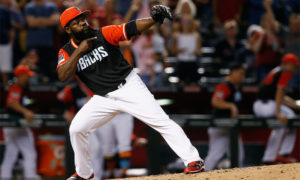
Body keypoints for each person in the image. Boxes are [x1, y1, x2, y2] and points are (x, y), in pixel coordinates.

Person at [57, 6, 204, 180]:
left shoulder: (103, 34)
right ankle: (84, 173)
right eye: (77, 22)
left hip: (129, 87)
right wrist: (79, 51)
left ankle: (193, 160)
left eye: (83, 19)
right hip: (103, 98)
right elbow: (63, 76)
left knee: (161, 122)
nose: (83, 23)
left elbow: (131, 28)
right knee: (76, 129)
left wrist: (153, 19)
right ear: (68, 29)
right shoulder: (66, 51)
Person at [253, 53, 300, 164]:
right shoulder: (285, 72)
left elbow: (280, 96)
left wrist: (295, 104)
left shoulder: (277, 71)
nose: (294, 68)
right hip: (266, 105)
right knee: (285, 119)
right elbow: (279, 94)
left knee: (290, 118)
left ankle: (281, 154)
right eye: (293, 65)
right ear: (286, 64)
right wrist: (278, 112)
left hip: (263, 105)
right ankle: (274, 156)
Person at [205, 63, 245, 170]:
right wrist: (231, 106)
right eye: (240, 74)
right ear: (233, 72)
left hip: (231, 128)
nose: (242, 77)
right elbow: (215, 101)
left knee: (239, 157)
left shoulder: (237, 88)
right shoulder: (224, 85)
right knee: (214, 157)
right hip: (219, 126)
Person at [1, 65, 37, 180]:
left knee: (10, 156)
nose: (28, 78)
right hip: (15, 125)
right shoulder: (16, 87)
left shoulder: (21, 88)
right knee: (30, 155)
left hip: (12, 126)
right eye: (26, 75)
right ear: (20, 76)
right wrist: (26, 112)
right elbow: (12, 102)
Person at [24, 0, 59, 79]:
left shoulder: (51, 5)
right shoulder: (29, 6)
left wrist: (38, 21)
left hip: (47, 43)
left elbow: (56, 20)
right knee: (32, 67)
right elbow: (31, 23)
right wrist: (48, 21)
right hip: (32, 42)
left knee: (47, 67)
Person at [0, 1, 14, 90]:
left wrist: (11, 42)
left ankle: (6, 85)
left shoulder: (4, 11)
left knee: (5, 67)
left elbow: (10, 28)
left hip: (4, 41)